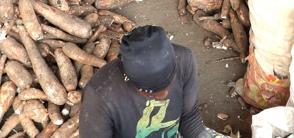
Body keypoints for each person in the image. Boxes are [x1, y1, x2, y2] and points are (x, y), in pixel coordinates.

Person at [80, 25, 215, 138]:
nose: (163, 96)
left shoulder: (184, 60)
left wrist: (199, 134)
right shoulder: (99, 97)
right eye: (153, 93)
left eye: (169, 84)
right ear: (128, 79)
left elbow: (189, 116)